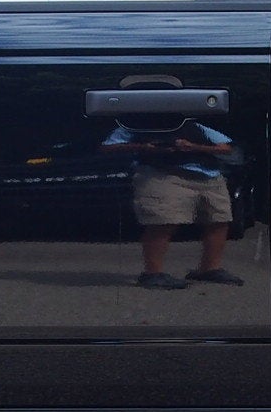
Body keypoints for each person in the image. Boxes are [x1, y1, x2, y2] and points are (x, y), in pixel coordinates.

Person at [102, 115, 243, 290]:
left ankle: (210, 269)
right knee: (162, 221)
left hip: (208, 176)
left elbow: (226, 148)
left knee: (219, 220)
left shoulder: (195, 126)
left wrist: (193, 147)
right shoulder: (136, 125)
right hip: (162, 174)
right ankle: (152, 273)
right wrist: (145, 147)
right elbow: (108, 146)